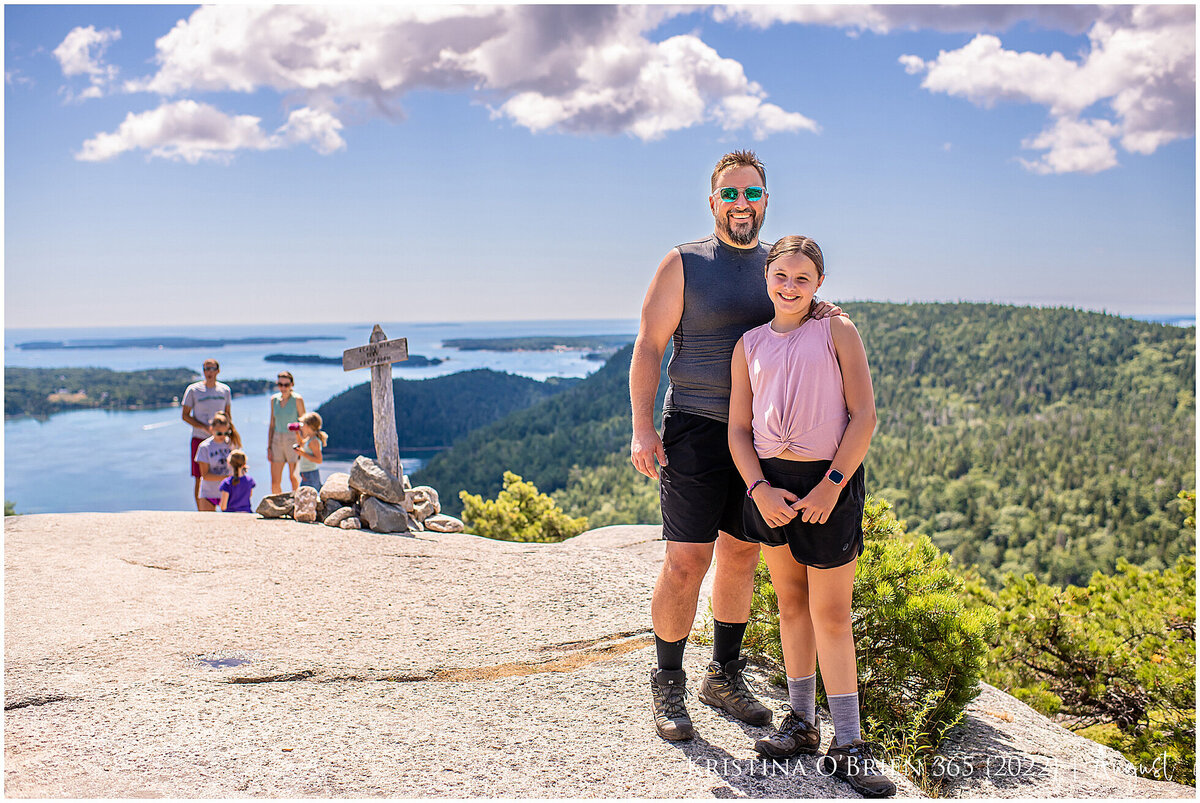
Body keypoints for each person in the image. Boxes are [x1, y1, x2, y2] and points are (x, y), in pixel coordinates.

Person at [629, 150, 841, 741]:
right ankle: (667, 680)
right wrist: (643, 428)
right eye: (730, 193)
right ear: (713, 201)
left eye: (752, 194)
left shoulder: (777, 267)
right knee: (686, 560)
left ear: (766, 201)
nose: (741, 204)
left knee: (742, 555)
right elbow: (649, 346)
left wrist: (825, 312)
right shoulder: (684, 262)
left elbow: (798, 316)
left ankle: (723, 675)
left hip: (759, 438)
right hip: (695, 428)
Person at [728, 236, 894, 797]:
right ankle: (801, 724)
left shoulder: (837, 330)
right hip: (770, 486)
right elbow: (738, 429)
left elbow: (864, 415)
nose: (791, 287)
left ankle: (848, 743)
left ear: (819, 283)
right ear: (766, 279)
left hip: (829, 482)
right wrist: (757, 489)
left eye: (803, 278)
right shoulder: (748, 343)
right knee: (791, 606)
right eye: (781, 276)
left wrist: (832, 486)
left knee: (832, 615)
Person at [181, 358, 232, 510]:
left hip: (222, 439)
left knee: (225, 472)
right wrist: (204, 428)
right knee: (200, 477)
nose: (209, 372)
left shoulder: (225, 390)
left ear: (218, 370)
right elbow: (185, 415)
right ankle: (201, 511)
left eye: (212, 368)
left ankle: (225, 507)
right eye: (206, 368)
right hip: (200, 438)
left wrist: (231, 436)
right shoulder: (193, 390)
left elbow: (228, 415)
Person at [194, 412, 242, 512]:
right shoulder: (205, 447)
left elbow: (240, 466)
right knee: (207, 523)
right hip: (209, 493)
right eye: (219, 433)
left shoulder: (232, 443)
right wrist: (227, 478)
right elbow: (205, 475)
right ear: (211, 429)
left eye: (226, 433)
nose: (223, 436)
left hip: (229, 492)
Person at [267, 371, 306, 494]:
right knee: (275, 481)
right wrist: (269, 447)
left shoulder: (297, 400)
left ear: (292, 384)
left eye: (286, 385)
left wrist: (303, 443)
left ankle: (295, 506)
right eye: (280, 384)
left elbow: (304, 423)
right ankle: (275, 508)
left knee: (293, 478)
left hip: (293, 439)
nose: (283, 388)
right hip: (277, 440)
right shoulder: (274, 400)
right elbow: (272, 424)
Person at [293, 411, 327, 490]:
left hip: (310, 474)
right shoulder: (309, 438)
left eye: (303, 424)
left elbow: (319, 460)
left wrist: (302, 453)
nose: (301, 427)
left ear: (309, 426)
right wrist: (297, 434)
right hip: (306, 474)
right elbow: (302, 444)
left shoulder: (314, 441)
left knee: (306, 498)